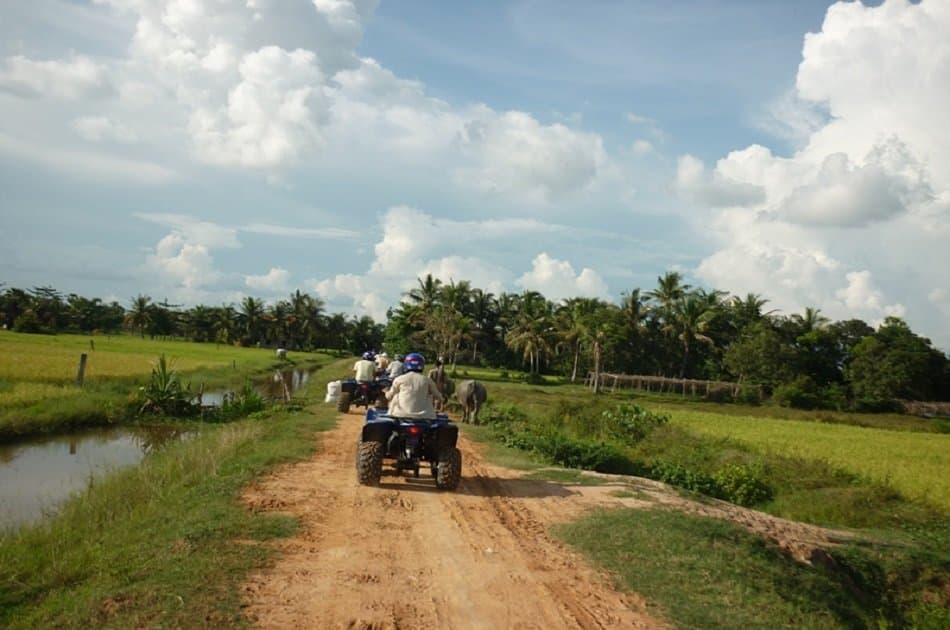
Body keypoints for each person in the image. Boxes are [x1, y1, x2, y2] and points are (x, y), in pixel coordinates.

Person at [386, 353, 443, 419]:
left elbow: (389, 396)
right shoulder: (427, 380)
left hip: (400, 415)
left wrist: (386, 392)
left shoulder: (399, 379)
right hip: (425, 416)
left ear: (406, 364)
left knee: (396, 395)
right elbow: (439, 397)